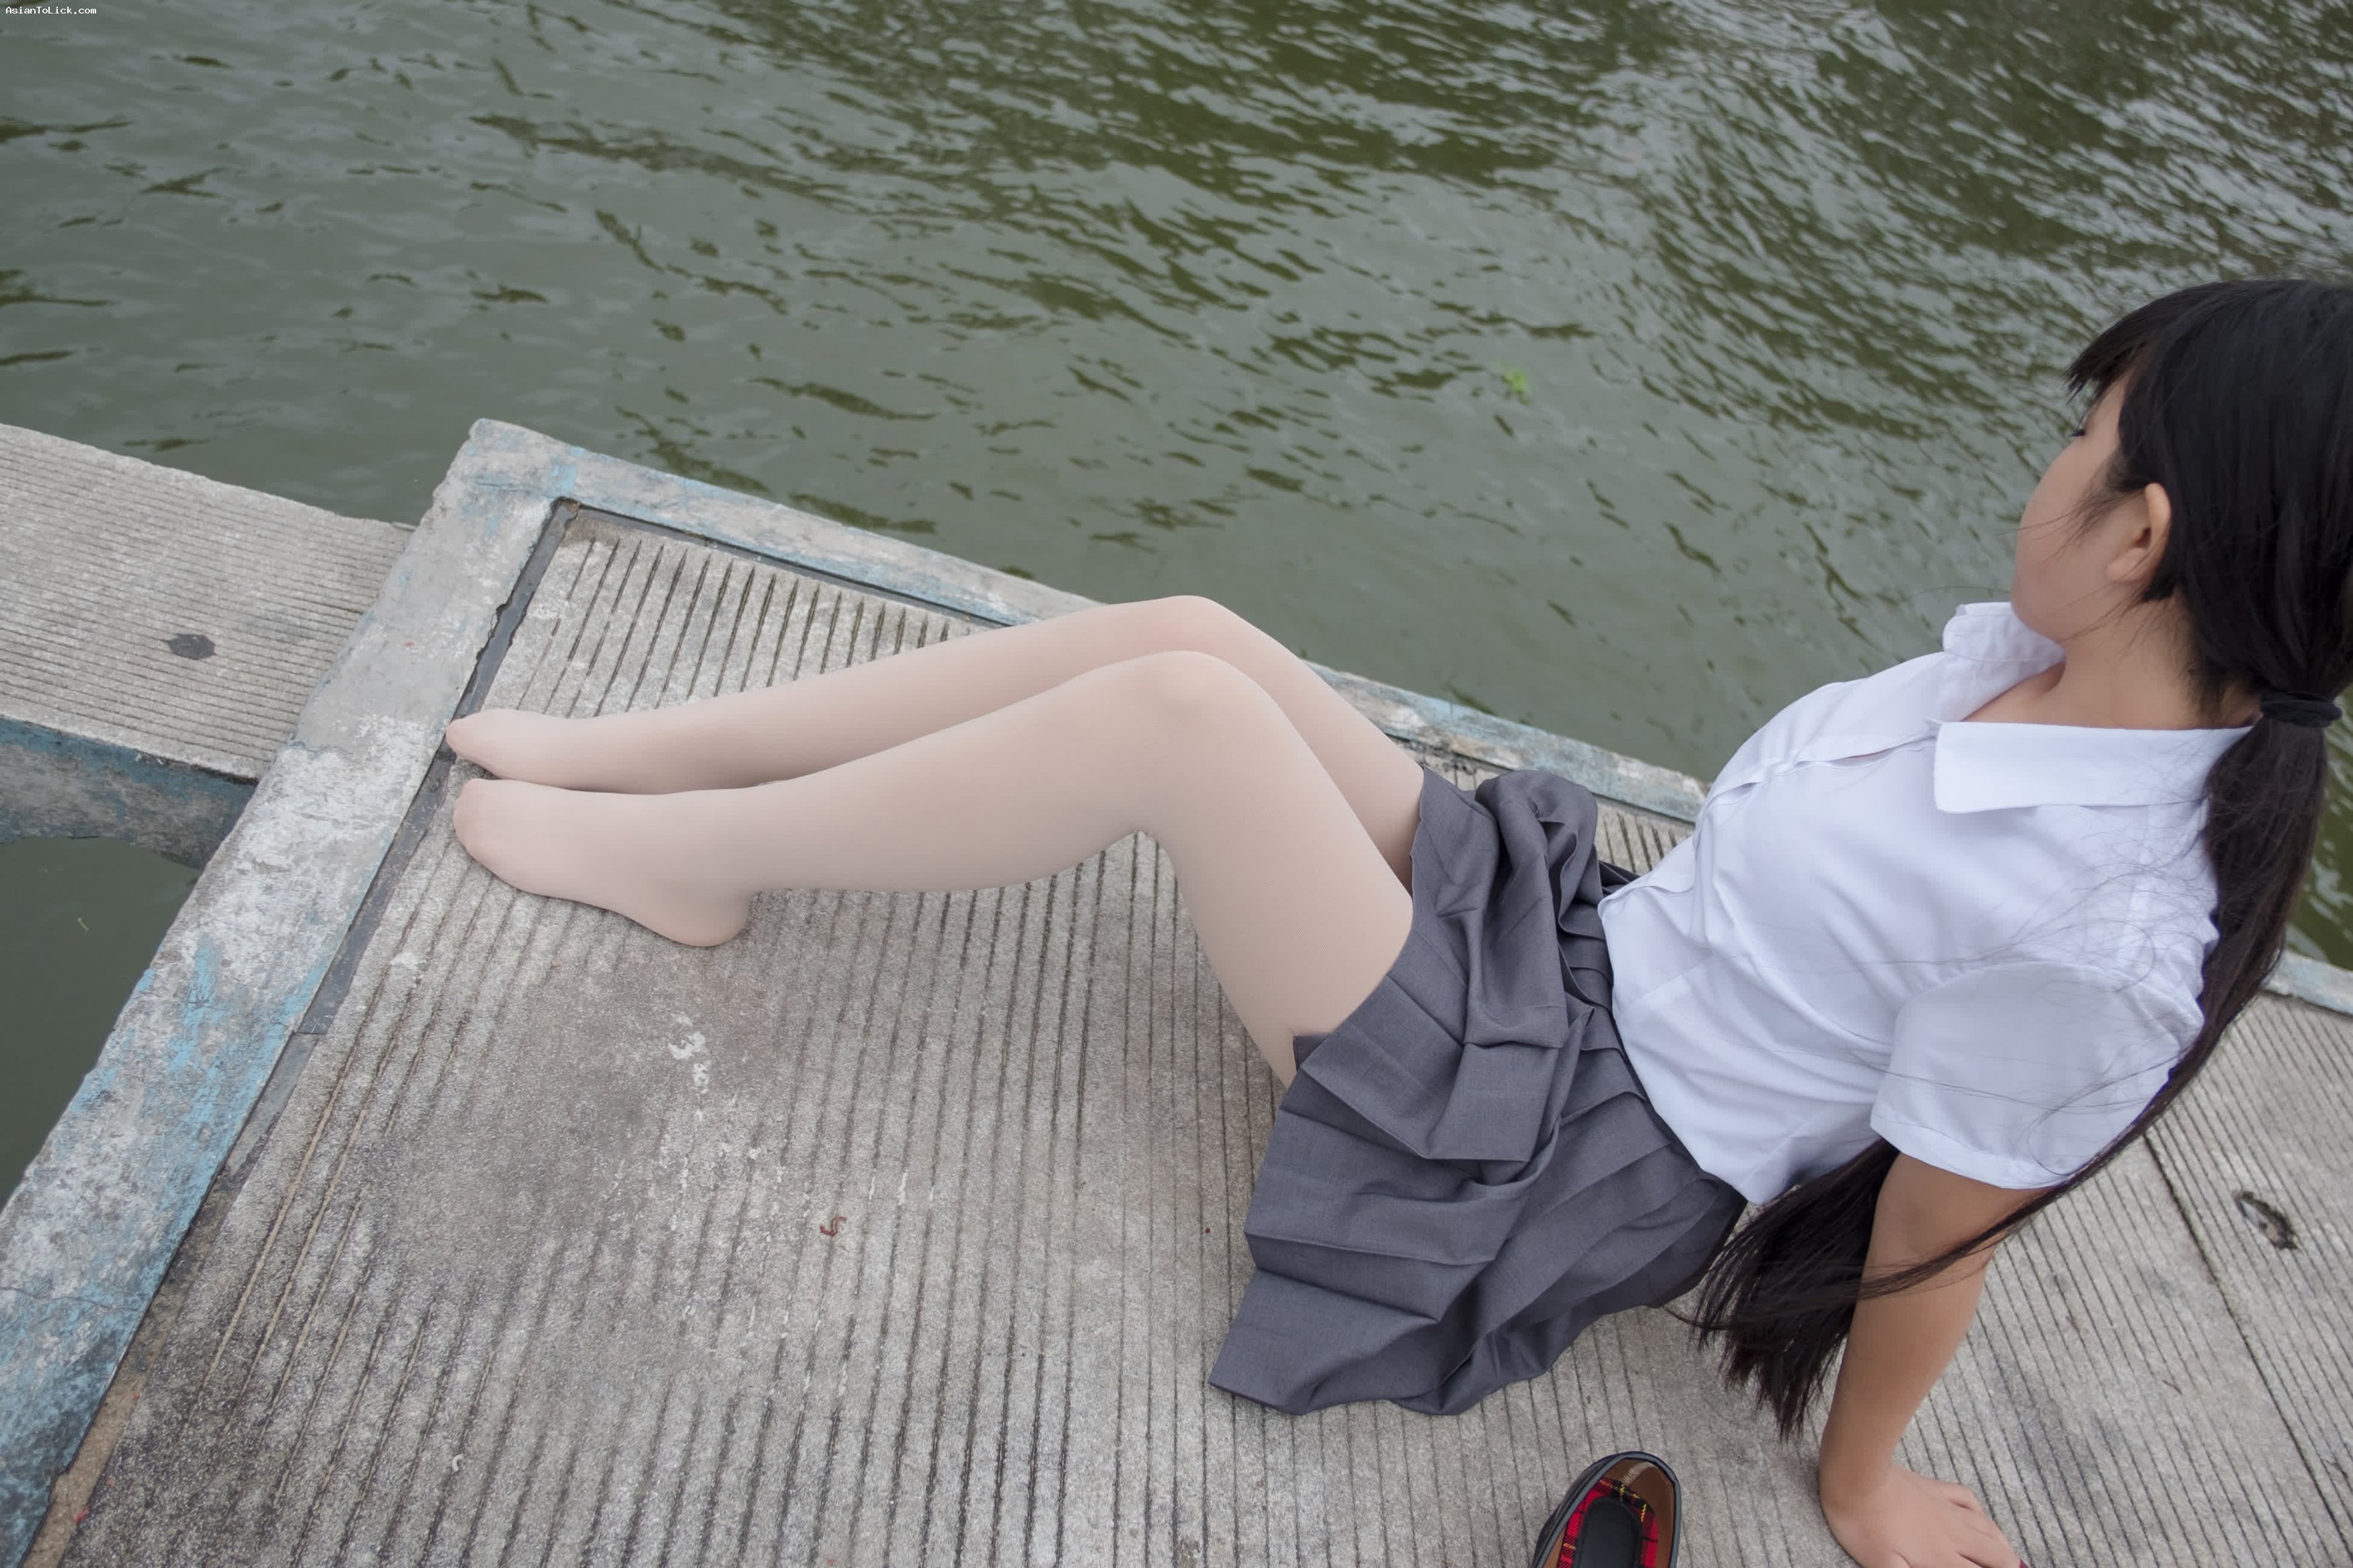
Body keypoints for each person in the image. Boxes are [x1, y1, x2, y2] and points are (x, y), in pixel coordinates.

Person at [442, 276, 2353, 1568]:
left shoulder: (2099, 927)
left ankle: (704, 860)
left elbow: (1942, 1235)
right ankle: (662, 760)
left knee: (1176, 724)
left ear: (2142, 537)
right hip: (1575, 958)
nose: (2046, 463)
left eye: (2083, 436)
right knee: (1196, 636)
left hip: (1547, 1146)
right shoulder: (2019, 670)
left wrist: (1865, 1490)